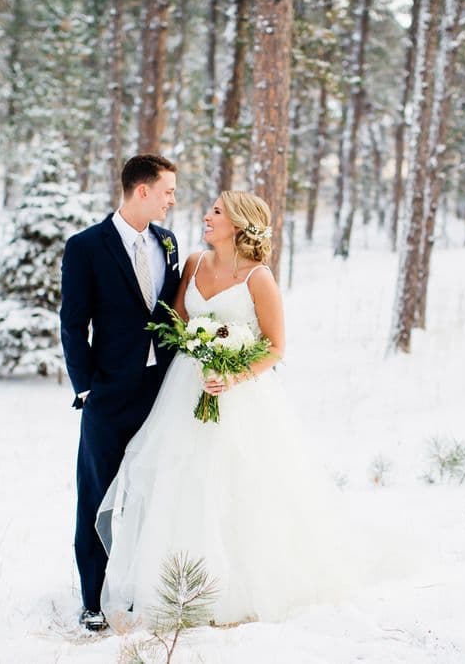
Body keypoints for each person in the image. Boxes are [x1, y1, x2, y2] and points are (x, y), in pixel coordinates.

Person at [97, 190, 357, 627]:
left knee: (234, 484)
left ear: (237, 223)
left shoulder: (259, 278)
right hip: (185, 387)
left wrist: (231, 373)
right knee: (179, 479)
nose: (206, 216)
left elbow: (275, 347)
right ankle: (174, 584)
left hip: (240, 397)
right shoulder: (196, 263)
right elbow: (177, 318)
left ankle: (233, 588)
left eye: (216, 211)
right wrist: (194, 345)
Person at [59, 154, 181, 632]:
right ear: (142, 191)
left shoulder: (167, 242)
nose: (173, 199)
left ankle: (134, 588)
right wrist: (86, 387)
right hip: (107, 395)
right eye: (168, 190)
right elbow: (72, 323)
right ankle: (92, 600)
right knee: (96, 494)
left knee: (148, 493)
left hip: (159, 391)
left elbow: (170, 312)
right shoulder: (86, 246)